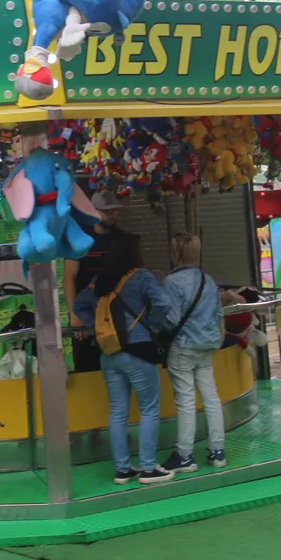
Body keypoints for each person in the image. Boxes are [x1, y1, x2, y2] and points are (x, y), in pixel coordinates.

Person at [72, 231, 175, 486]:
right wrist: (152, 325)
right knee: (149, 409)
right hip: (138, 349)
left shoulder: (100, 280)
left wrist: (95, 326)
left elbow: (79, 305)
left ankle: (123, 469)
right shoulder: (141, 276)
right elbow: (163, 304)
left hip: (108, 352)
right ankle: (148, 468)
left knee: (118, 411)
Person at [160, 232, 225, 473]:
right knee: (211, 396)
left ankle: (185, 455)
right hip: (206, 345)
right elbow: (219, 314)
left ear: (176, 254)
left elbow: (171, 319)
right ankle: (217, 451)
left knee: (186, 400)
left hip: (183, 347)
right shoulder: (208, 280)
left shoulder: (171, 282)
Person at [64, 191, 122, 372]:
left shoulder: (122, 240)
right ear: (93, 212)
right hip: (86, 320)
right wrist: (74, 315)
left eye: (114, 210)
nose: (112, 215)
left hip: (116, 319)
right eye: (106, 211)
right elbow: (68, 277)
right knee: (87, 371)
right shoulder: (81, 241)